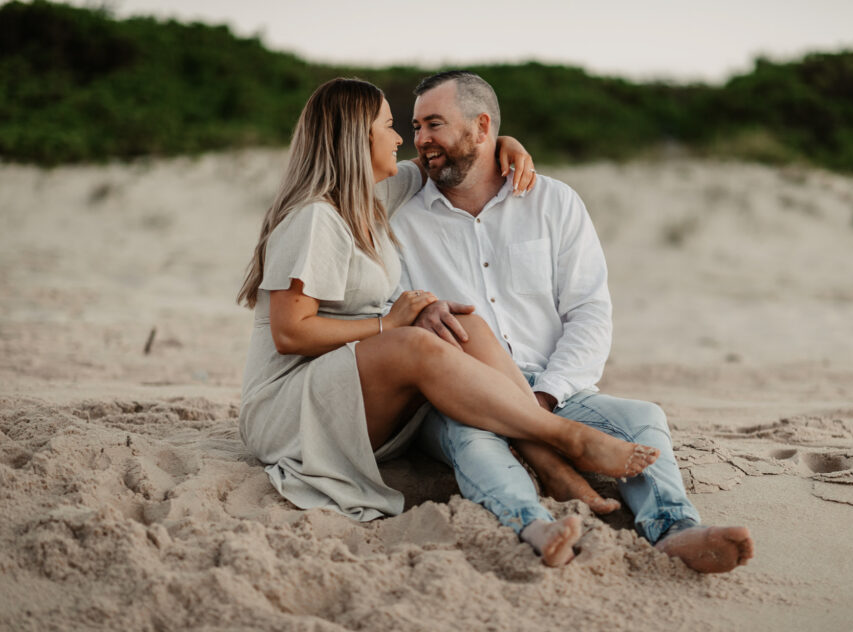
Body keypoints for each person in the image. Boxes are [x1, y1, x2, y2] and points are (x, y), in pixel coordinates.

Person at [236, 77, 660, 566]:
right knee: (418, 341)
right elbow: (291, 334)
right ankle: (566, 439)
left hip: (349, 389)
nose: (403, 139)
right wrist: (388, 325)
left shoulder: (372, 198)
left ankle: (547, 462)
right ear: (355, 138)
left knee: (465, 324)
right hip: (287, 406)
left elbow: (446, 157)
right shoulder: (314, 217)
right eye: (391, 126)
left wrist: (500, 142)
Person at [391, 71, 754, 572]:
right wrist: (515, 412)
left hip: (557, 386)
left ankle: (675, 529)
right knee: (472, 442)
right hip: (459, 394)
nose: (422, 140)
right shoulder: (402, 218)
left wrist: (543, 400)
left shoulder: (553, 202)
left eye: (435, 124)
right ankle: (534, 525)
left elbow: (589, 311)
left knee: (643, 418)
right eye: (416, 128)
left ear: (481, 127)